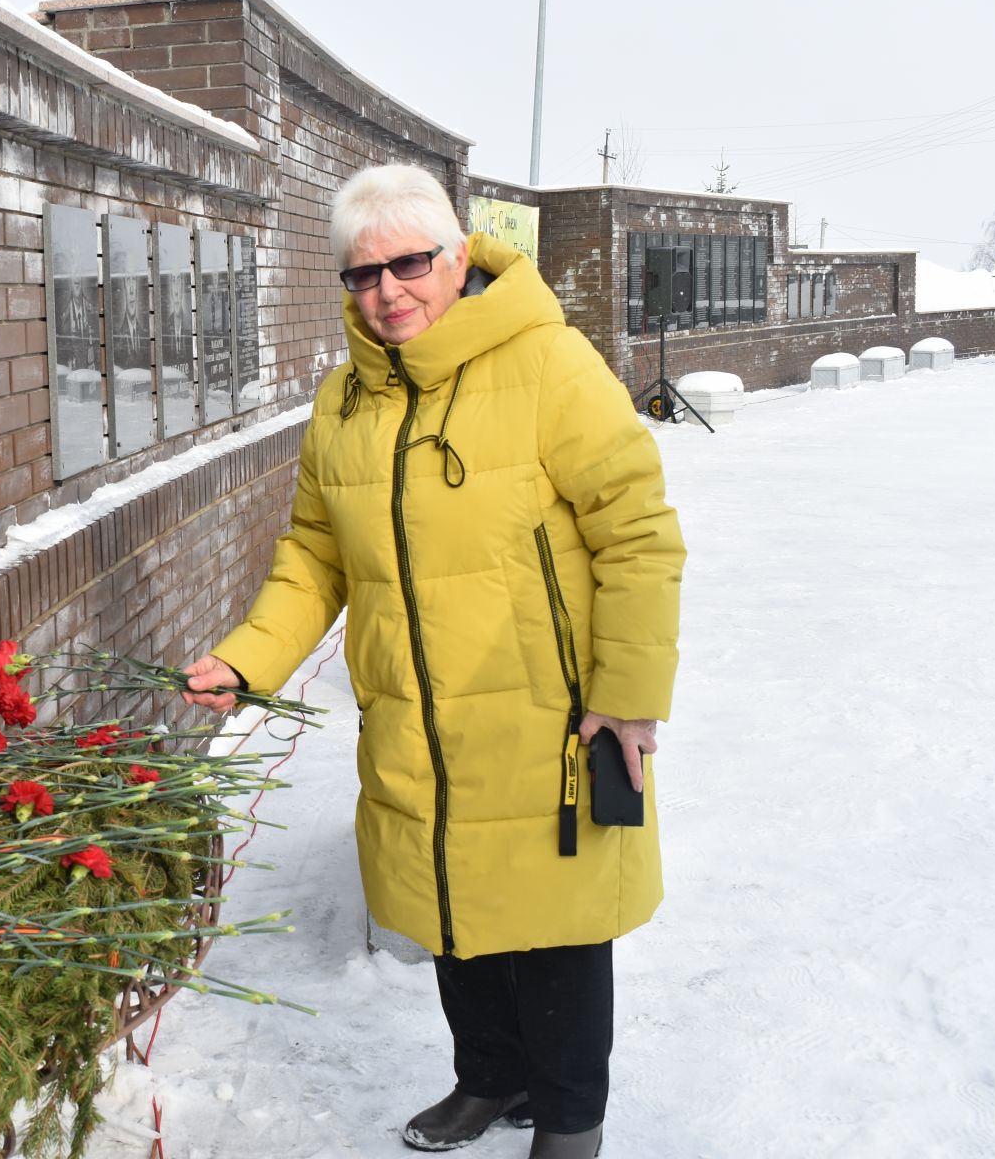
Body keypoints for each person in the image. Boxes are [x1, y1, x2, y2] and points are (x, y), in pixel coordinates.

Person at [181, 165, 684, 1157]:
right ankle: (489, 1077)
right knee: (454, 914)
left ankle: (570, 1120)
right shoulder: (344, 402)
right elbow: (314, 555)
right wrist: (248, 659)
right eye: (364, 273)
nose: (389, 291)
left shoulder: (550, 365)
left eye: (410, 264)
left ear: (456, 258)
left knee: (556, 931)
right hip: (416, 715)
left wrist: (626, 698)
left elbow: (639, 533)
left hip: (548, 718)